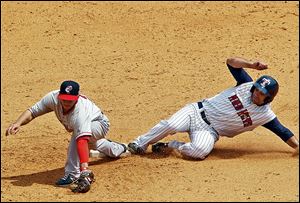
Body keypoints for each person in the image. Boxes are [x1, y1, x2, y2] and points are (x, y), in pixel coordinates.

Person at [127, 57, 299, 159]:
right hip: (196, 112)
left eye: (262, 93)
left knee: (199, 152)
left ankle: (171, 146)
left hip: (210, 132)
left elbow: (284, 132)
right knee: (171, 125)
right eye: (257, 89)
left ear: (268, 98)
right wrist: (252, 65)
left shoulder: (265, 115)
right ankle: (139, 144)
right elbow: (231, 62)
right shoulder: (246, 84)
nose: (256, 93)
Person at [6, 80, 128, 192]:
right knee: (89, 140)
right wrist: (18, 123)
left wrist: (84, 169)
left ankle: (72, 174)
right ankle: (117, 149)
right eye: (64, 99)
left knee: (79, 136)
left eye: (70, 100)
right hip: (86, 128)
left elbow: (81, 140)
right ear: (59, 95)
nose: (66, 103)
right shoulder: (52, 98)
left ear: (77, 97)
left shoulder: (81, 110)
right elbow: (33, 111)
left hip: (99, 124)